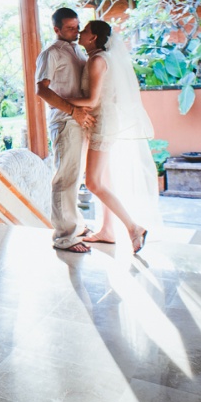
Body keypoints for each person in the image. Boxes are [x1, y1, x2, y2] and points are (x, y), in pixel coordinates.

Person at [68, 20, 158, 254]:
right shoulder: (98, 58)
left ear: (93, 37)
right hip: (101, 119)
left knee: (93, 182)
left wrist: (58, 99)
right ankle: (108, 230)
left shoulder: (98, 60)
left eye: (85, 31)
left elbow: (92, 101)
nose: (80, 33)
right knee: (104, 180)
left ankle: (134, 228)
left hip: (102, 122)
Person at [36, 8, 96, 253]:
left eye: (77, 26)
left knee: (75, 177)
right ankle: (64, 237)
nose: (76, 31)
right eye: (70, 28)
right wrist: (73, 111)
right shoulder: (50, 53)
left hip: (79, 120)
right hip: (65, 120)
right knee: (65, 178)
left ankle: (76, 226)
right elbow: (41, 90)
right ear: (57, 29)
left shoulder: (77, 50)